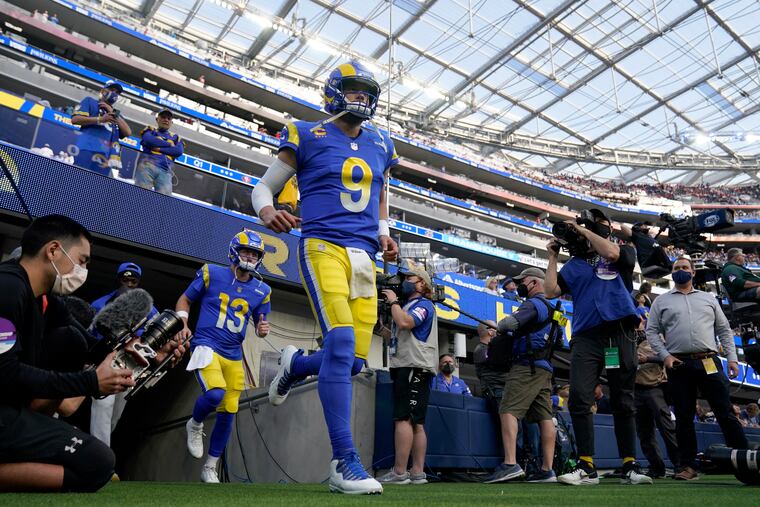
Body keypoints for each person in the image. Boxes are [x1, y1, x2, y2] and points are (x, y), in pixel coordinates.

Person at [253, 61, 398, 495]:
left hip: (364, 256)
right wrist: (267, 210)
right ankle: (343, 461)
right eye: (353, 90)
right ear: (334, 92)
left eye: (366, 93)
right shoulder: (305, 133)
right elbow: (262, 188)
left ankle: (296, 365)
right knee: (339, 343)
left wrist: (384, 231)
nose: (361, 99)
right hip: (323, 246)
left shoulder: (382, 141)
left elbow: (380, 193)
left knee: (353, 362)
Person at [0, 215, 133, 492]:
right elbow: (5, 373)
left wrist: (137, 352)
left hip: (12, 410)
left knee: (70, 339)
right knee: (96, 464)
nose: (83, 271)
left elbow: (90, 346)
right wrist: (89, 382)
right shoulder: (8, 288)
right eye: (82, 261)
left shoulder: (45, 299)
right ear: (53, 251)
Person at [544, 208, 651, 486]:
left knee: (622, 399)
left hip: (619, 332)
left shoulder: (623, 251)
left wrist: (582, 229)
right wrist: (553, 257)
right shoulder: (574, 265)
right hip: (587, 336)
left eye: (595, 223)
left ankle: (629, 464)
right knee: (579, 397)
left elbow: (611, 253)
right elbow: (550, 291)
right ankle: (586, 466)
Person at [178, 231, 271, 483]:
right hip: (207, 344)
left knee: (229, 409)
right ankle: (195, 423)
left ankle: (210, 466)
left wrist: (262, 329)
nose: (250, 257)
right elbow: (185, 299)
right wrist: (183, 323)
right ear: (234, 251)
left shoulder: (262, 290)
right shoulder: (212, 273)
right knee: (214, 394)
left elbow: (261, 323)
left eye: (255, 254)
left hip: (233, 353)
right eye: (246, 251)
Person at [647, 256, 748, 480]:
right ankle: (688, 466)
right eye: (676, 268)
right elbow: (651, 331)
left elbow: (724, 330)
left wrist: (732, 358)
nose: (680, 270)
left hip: (708, 360)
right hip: (679, 363)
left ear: (693, 272)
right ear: (672, 272)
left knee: (725, 412)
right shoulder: (661, 301)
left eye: (685, 267)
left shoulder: (708, 299)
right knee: (683, 417)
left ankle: (744, 461)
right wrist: (665, 356)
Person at [485, 267, 559, 484]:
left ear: (535, 283)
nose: (519, 286)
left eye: (522, 281)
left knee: (507, 409)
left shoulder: (532, 303)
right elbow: (560, 340)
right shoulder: (556, 308)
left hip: (526, 366)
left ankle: (510, 464)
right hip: (545, 368)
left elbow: (507, 324)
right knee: (545, 417)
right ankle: (547, 470)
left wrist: (501, 328)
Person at [377, 266, 438, 485]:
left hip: (413, 366)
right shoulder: (408, 306)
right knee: (416, 422)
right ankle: (417, 472)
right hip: (411, 365)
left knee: (404, 418)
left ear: (422, 284)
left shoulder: (423, 305)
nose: (403, 281)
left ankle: (400, 472)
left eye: (409, 278)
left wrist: (393, 302)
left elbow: (406, 322)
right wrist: (381, 326)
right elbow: (398, 334)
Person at [89, 262, 159, 447]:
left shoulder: (148, 307)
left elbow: (158, 333)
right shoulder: (100, 304)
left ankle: (98, 447)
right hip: (105, 360)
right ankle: (99, 453)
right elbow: (88, 337)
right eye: (124, 280)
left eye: (133, 281)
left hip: (131, 364)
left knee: (115, 414)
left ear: (138, 283)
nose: (128, 284)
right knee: (103, 405)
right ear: (118, 280)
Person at [634, 336, 680, 478]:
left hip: (654, 388)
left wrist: (647, 359)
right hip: (635, 389)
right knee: (644, 433)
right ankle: (656, 467)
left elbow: (669, 357)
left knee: (667, 428)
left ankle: (680, 465)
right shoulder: (626, 339)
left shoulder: (655, 337)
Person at [71, 81, 132, 176]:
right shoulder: (90, 101)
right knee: (78, 177)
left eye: (117, 92)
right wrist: (100, 119)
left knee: (97, 182)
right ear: (103, 91)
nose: (114, 94)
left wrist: (113, 112)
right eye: (112, 90)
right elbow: (75, 119)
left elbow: (128, 132)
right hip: (86, 149)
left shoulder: (116, 115)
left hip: (105, 156)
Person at [135, 109, 184, 195]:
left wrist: (159, 149)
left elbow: (178, 151)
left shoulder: (177, 137)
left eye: (169, 118)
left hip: (166, 171)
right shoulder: (150, 130)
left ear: (171, 123)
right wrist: (169, 144)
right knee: (140, 195)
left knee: (163, 201)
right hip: (147, 166)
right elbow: (149, 140)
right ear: (157, 119)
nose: (166, 120)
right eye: (163, 117)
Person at [473, 320, 505, 410]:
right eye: (496, 329)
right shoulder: (481, 349)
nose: (499, 332)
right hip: (496, 390)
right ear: (490, 332)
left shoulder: (490, 348)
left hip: (502, 390)